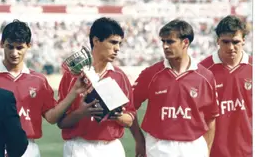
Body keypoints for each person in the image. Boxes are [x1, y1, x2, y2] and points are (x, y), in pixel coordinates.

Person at [0, 20, 86, 157]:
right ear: (1, 44)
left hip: (29, 149)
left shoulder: (38, 81)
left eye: (19, 47)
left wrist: (74, 92)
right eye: (10, 47)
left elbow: (51, 117)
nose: (14, 53)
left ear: (29, 46)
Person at [130, 19, 219, 157]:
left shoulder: (206, 77)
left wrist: (206, 148)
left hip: (193, 147)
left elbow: (211, 118)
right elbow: (130, 105)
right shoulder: (151, 74)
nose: (165, 46)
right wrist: (139, 139)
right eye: (163, 41)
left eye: (170, 41)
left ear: (185, 43)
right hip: (158, 147)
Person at [57, 17, 136, 157]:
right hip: (79, 147)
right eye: (113, 42)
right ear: (96, 41)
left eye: (119, 44)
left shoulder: (120, 76)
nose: (117, 48)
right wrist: (82, 112)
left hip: (111, 148)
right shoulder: (72, 75)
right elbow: (61, 122)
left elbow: (129, 119)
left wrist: (117, 115)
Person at [200, 15, 252, 157]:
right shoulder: (203, 71)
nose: (231, 47)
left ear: (243, 41)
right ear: (218, 41)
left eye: (235, 42)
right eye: (225, 42)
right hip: (214, 152)